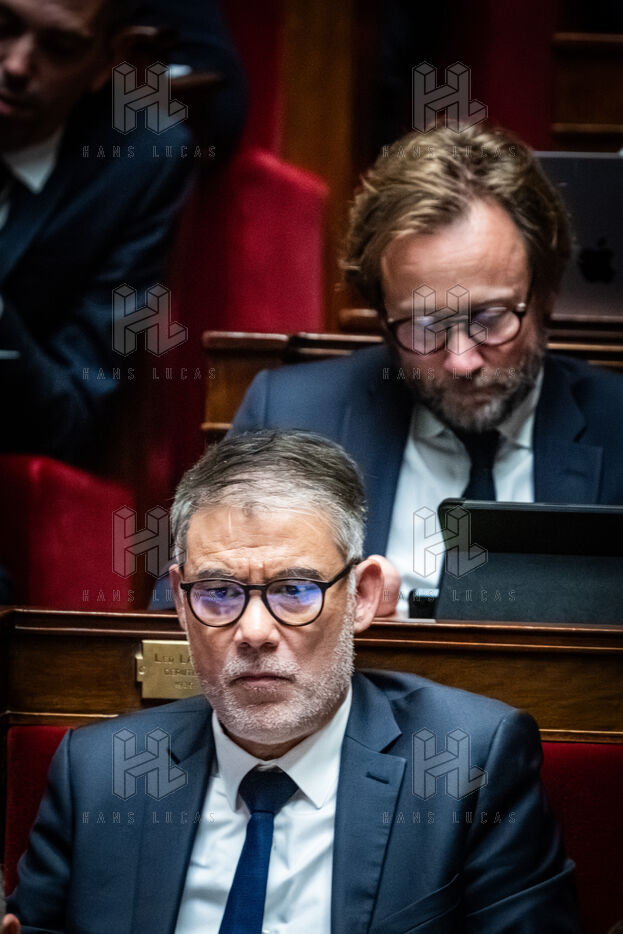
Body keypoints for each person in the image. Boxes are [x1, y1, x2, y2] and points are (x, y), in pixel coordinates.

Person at [8, 430, 581, 930]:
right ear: (181, 603)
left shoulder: (469, 766)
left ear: (361, 596)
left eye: (294, 590)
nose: (254, 632)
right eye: (219, 593)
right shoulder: (98, 774)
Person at [231, 124, 623, 612]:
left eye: (490, 318)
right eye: (423, 326)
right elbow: (193, 619)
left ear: (545, 295)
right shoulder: (290, 419)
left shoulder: (617, 425)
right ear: (381, 314)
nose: (462, 361)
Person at [0, 0, 244, 464]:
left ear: (110, 60)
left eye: (60, 47)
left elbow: (73, 415)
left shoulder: (138, 164)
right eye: (2, 26)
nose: (16, 65)